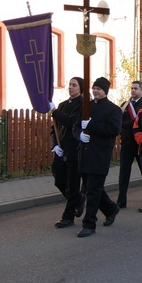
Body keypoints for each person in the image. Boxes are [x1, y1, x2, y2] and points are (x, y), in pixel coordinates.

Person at [76, 77, 122, 238]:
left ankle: (89, 223)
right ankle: (111, 209)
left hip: (100, 155)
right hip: (85, 154)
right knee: (91, 188)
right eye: (94, 88)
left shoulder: (113, 110)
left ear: (105, 91)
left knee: (93, 191)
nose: (95, 91)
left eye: (99, 89)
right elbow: (76, 126)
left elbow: (113, 129)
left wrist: (91, 126)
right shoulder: (86, 108)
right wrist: (80, 135)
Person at [50, 76, 85, 228]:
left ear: (80, 88)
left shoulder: (83, 105)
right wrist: (54, 145)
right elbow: (54, 128)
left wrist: (54, 112)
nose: (70, 87)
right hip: (61, 148)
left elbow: (71, 123)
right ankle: (78, 200)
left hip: (75, 149)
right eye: (69, 84)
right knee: (58, 177)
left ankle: (68, 216)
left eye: (74, 85)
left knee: (73, 183)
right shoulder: (63, 105)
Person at [116, 80, 142, 208]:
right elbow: (118, 117)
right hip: (127, 143)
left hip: (139, 144)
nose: (133, 90)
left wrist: (122, 125)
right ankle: (121, 200)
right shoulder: (125, 104)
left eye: (135, 88)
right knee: (124, 173)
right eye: (132, 88)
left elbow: (138, 122)